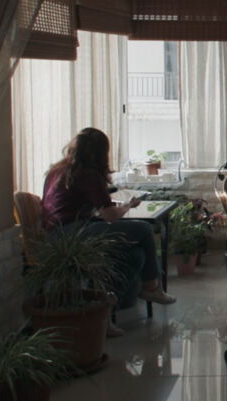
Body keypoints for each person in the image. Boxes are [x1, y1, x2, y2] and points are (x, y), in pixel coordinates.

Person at [42, 128, 175, 337]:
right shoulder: (88, 174)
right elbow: (111, 216)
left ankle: (105, 316)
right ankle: (150, 286)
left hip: (57, 235)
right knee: (144, 228)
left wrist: (112, 206)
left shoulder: (59, 170)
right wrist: (128, 205)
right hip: (72, 236)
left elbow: (77, 204)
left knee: (135, 255)